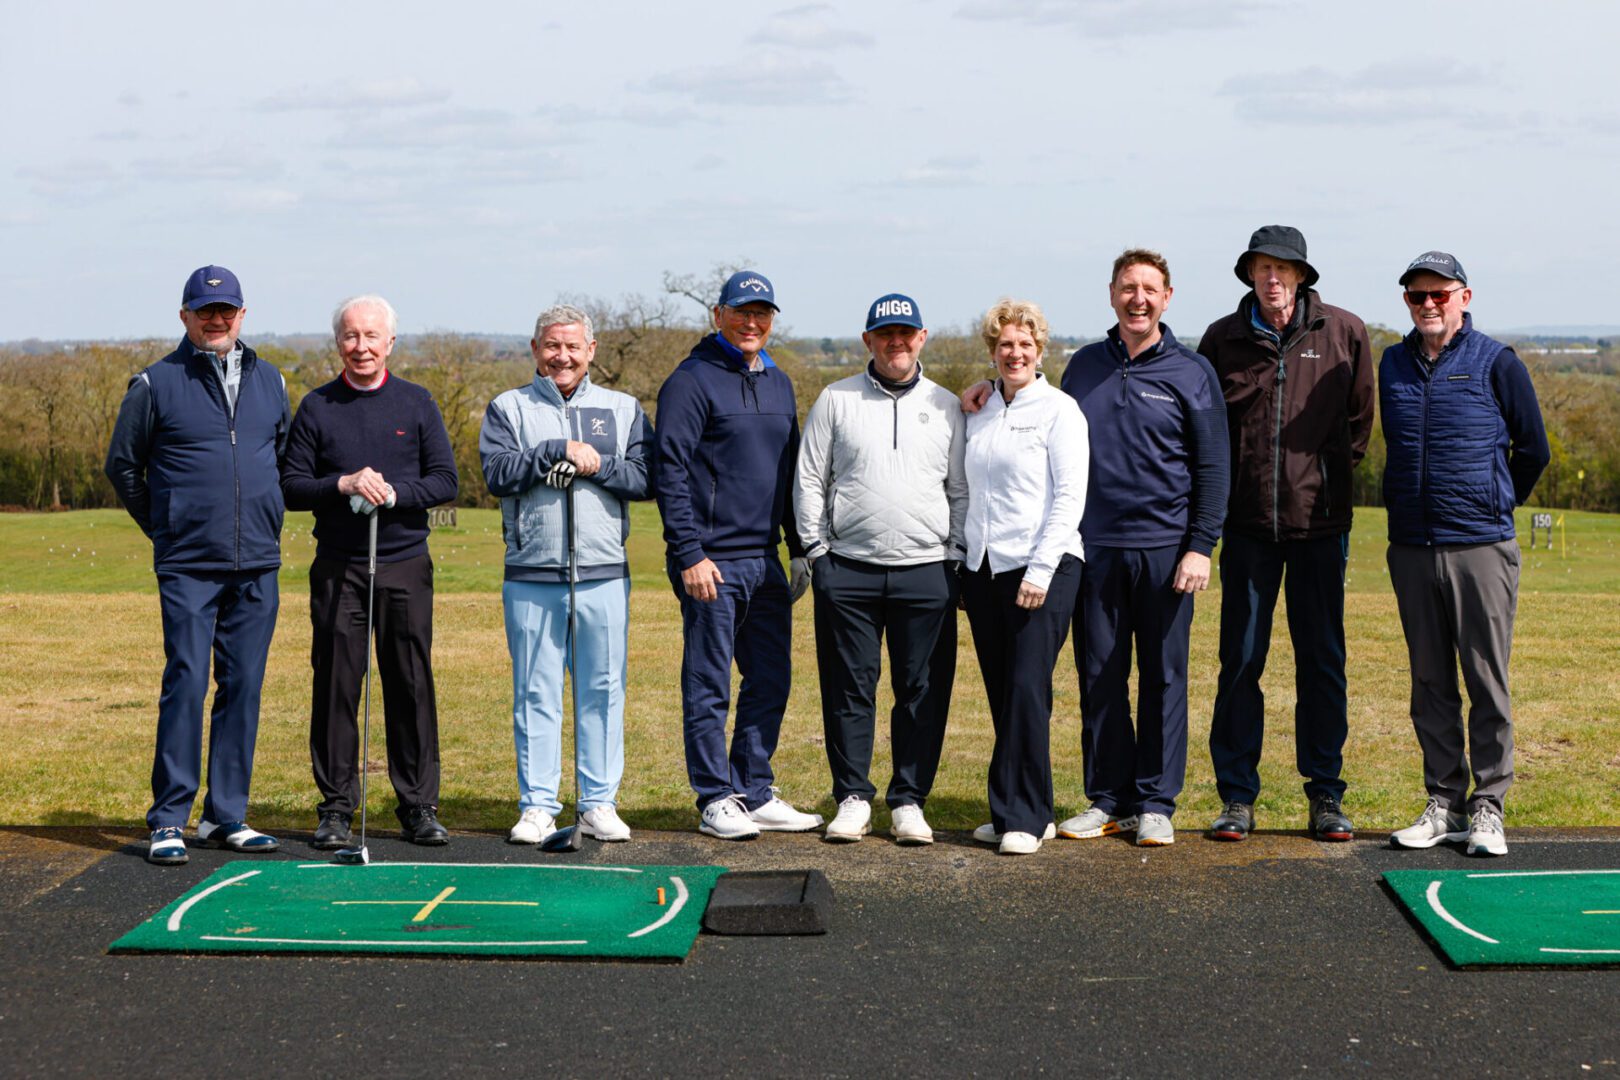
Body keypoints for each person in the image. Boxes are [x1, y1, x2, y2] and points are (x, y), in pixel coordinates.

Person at [104, 265, 290, 865]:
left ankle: (226, 815)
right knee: (185, 681)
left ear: (243, 314)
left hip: (257, 562)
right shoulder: (155, 384)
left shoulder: (273, 382)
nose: (217, 320)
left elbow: (280, 460)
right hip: (189, 564)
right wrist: (166, 528)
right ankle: (169, 819)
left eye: (227, 310)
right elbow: (123, 467)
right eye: (205, 311)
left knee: (243, 687)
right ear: (184, 316)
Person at [1199, 225, 1375, 842]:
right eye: (1262, 268)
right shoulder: (1222, 339)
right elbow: (1208, 434)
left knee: (1322, 663)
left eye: (1284, 269)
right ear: (1249, 274)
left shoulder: (1344, 332)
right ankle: (1236, 798)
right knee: (1241, 662)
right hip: (1246, 531)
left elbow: (1358, 430)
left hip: (1320, 530)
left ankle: (1325, 794)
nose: (1273, 279)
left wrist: (1320, 481)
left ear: (1302, 276)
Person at [1056, 250, 1229, 847]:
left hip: (1167, 552)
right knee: (1100, 675)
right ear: (1111, 294)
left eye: (1149, 290)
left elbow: (1214, 466)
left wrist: (1200, 546)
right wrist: (983, 392)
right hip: (1094, 550)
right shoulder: (1081, 367)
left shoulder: (1192, 371)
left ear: (1168, 297)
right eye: (1128, 288)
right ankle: (1108, 798)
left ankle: (1155, 802)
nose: (1138, 299)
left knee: (1163, 677)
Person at [1382, 252, 1548, 858]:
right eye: (1416, 295)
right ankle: (1445, 802)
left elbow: (1533, 449)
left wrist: (1493, 500)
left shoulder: (1497, 362)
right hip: (1413, 546)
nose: (1428, 304)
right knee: (1429, 682)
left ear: (1465, 297)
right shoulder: (1393, 363)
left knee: (1486, 679)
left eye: (1440, 294)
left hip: (1481, 544)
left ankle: (1488, 806)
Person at [282, 295, 459, 848]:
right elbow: (291, 486)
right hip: (340, 566)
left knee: (409, 682)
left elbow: (445, 482)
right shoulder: (316, 407)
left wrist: (396, 493)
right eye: (351, 336)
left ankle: (418, 805)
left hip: (405, 563)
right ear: (340, 343)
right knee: (336, 682)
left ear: (390, 343)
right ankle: (335, 808)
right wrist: (342, 483)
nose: (362, 346)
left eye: (372, 336)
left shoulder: (417, 403)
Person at [795, 293, 967, 845]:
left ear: (921, 338)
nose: (897, 341)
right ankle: (852, 796)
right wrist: (816, 553)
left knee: (922, 690)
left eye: (906, 332)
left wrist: (956, 555)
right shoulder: (835, 398)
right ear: (868, 340)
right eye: (885, 333)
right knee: (849, 687)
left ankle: (909, 800)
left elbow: (959, 489)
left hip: (926, 568)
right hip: (849, 568)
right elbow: (809, 480)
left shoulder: (946, 405)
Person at [654, 270, 821, 840]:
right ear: (718, 315)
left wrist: (798, 547)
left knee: (771, 678)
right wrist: (688, 553)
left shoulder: (779, 382)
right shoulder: (691, 381)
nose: (753, 323)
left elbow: (790, 469)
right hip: (711, 562)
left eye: (763, 314)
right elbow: (669, 471)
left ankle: (752, 787)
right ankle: (714, 796)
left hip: (765, 559)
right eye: (742, 312)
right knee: (709, 683)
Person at [479, 304, 654, 845]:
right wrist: (554, 450)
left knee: (603, 690)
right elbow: (497, 474)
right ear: (535, 350)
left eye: (573, 346)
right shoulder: (508, 407)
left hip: (604, 573)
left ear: (591, 350)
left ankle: (598, 803)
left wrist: (596, 464)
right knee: (535, 692)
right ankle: (538, 806)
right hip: (532, 574)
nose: (562, 356)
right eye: (552, 346)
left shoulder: (622, 409)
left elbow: (646, 478)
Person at [960, 299, 1087, 856]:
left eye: (1025, 345)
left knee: (1026, 690)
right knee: (1004, 694)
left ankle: (1025, 819)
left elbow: (1070, 497)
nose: (1015, 353)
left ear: (1041, 351)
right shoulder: (980, 407)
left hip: (1045, 567)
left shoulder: (1061, 410)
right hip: (984, 568)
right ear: (993, 351)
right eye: (1005, 344)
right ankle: (1022, 804)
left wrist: (1039, 570)